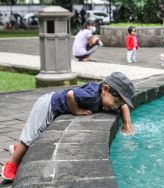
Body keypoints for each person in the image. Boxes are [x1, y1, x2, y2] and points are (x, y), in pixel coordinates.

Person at [1, 72, 136, 181]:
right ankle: (12, 163)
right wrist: (76, 111)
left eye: (118, 103)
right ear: (105, 89)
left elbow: (123, 105)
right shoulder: (90, 96)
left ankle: (17, 150)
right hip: (47, 105)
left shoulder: (104, 94)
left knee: (38, 135)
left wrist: (127, 123)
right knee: (31, 137)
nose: (117, 106)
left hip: (52, 105)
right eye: (116, 101)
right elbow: (70, 94)